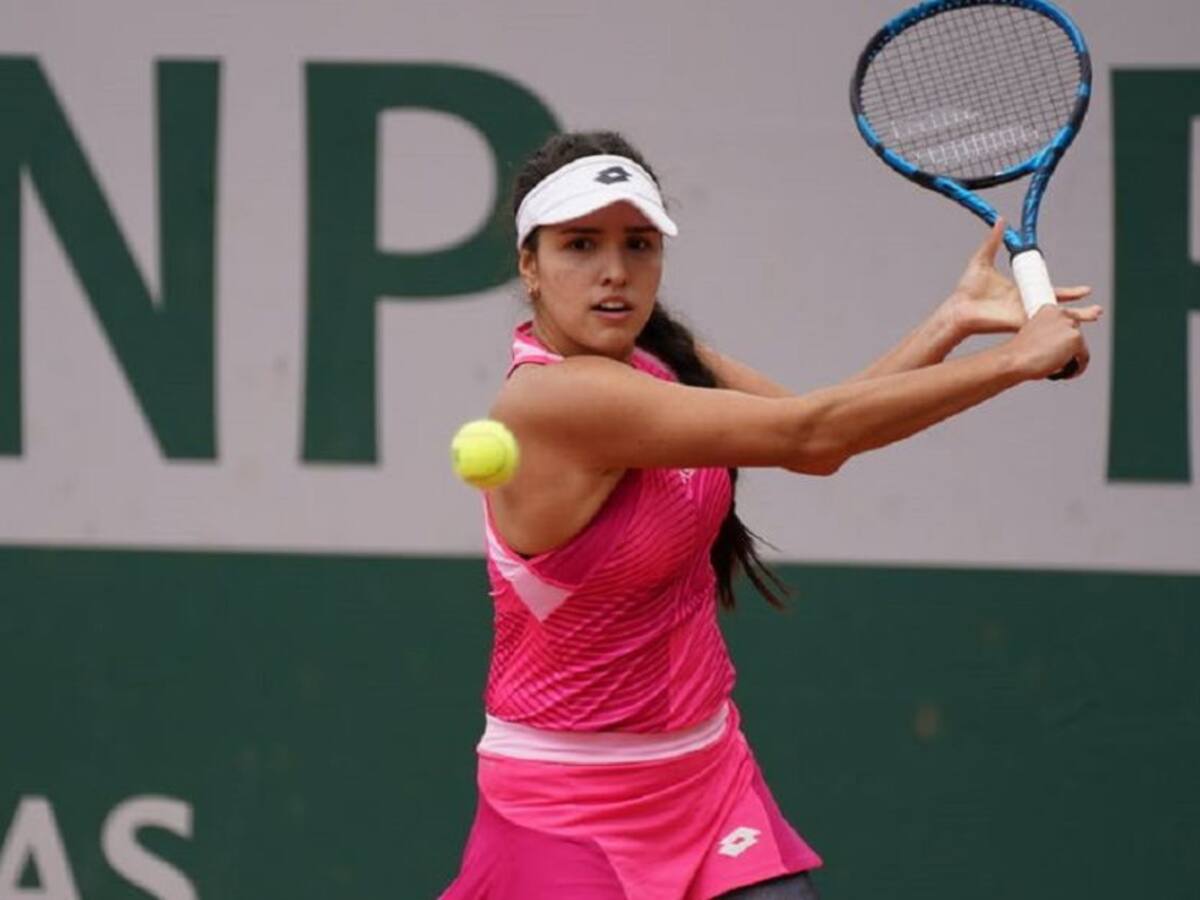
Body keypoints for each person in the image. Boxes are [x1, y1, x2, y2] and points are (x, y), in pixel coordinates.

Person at [440, 131, 1099, 900]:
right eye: (580, 245)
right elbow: (810, 433)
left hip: (706, 781)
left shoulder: (663, 358)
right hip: (565, 809)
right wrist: (1015, 360)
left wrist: (951, 322)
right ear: (530, 265)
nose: (614, 271)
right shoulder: (554, 399)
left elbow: (822, 435)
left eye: (638, 244)